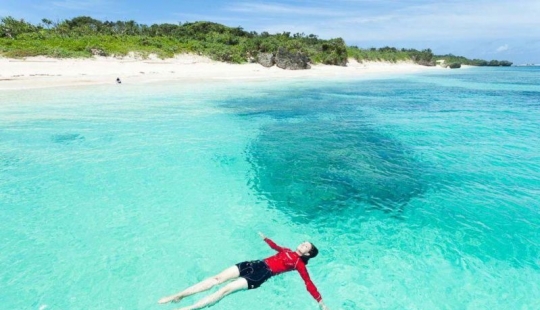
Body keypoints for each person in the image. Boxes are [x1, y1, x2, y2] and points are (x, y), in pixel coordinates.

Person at [158, 232, 329, 310]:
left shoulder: (300, 264)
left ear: (308, 253)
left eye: (306, 245)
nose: (303, 244)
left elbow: (308, 283)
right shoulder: (287, 250)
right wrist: (265, 238)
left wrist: (321, 302)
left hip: (260, 275)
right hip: (252, 264)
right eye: (304, 242)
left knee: (224, 290)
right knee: (217, 278)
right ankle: (178, 295)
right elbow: (275, 246)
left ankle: (192, 308)